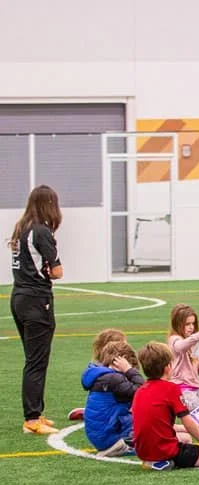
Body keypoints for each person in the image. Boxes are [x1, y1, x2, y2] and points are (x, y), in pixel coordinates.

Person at [9, 185, 63, 435]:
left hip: (18, 296)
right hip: (37, 299)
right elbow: (57, 271)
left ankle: (37, 412)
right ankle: (32, 418)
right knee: (37, 360)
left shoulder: (21, 227)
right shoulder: (42, 231)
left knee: (34, 359)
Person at [132, 342, 199, 471]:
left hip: (142, 451)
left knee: (186, 438)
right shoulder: (171, 388)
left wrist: (185, 429)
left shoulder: (140, 390)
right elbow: (187, 421)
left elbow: (155, 422)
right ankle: (159, 463)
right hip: (164, 450)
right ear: (167, 367)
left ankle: (153, 460)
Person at [82, 341, 144, 457]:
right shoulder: (114, 379)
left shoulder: (101, 375)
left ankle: (118, 445)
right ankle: (119, 446)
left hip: (100, 435)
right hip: (110, 435)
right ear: (122, 360)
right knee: (153, 437)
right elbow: (142, 392)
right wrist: (129, 370)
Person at [68, 328, 128, 421]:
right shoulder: (113, 372)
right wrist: (130, 371)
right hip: (115, 411)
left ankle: (90, 412)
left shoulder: (95, 368)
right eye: (124, 345)